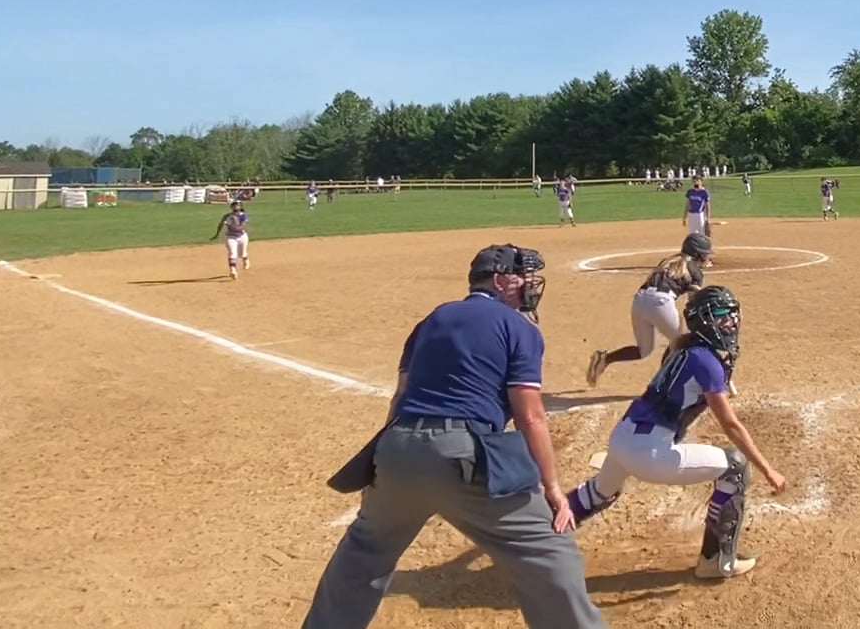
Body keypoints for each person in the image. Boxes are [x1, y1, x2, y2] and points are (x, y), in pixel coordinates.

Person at [302, 244, 603, 628]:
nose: (530, 283)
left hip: (397, 448)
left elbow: (399, 399)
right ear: (500, 281)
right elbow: (530, 417)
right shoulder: (518, 328)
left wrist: (383, 470)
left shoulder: (431, 320)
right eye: (522, 276)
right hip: (462, 455)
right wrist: (553, 489)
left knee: (362, 552)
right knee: (550, 553)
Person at [566, 285, 784, 580]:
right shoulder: (707, 361)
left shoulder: (682, 349)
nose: (731, 322)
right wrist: (769, 470)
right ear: (704, 321)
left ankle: (538, 531)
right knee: (735, 466)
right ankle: (716, 561)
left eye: (732, 315)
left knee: (598, 491)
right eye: (722, 315)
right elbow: (731, 426)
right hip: (650, 452)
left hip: (622, 438)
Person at [585, 233, 714, 388]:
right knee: (680, 344)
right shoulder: (696, 271)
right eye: (705, 254)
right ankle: (662, 384)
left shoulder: (668, 261)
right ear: (697, 254)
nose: (706, 258)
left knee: (643, 350)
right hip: (661, 302)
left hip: (639, 301)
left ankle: (605, 358)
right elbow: (693, 302)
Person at [211, 198, 249, 279]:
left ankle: (245, 259)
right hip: (230, 237)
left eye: (237, 205)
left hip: (242, 237)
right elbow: (221, 224)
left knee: (242, 254)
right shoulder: (227, 216)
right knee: (232, 253)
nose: (236, 207)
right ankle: (233, 270)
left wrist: (232, 224)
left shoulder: (243, 216)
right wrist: (217, 234)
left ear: (241, 207)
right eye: (234, 205)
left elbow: (242, 227)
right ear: (231, 207)